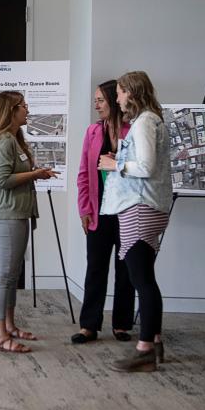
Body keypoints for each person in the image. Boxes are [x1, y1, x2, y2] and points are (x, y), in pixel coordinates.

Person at [99, 71, 173, 372]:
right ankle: (153, 342)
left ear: (132, 92)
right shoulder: (153, 120)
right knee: (145, 277)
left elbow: (145, 166)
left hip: (140, 205)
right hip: (147, 204)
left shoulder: (144, 123)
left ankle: (144, 351)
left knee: (142, 279)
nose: (117, 98)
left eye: (119, 92)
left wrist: (114, 163)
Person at [0, 91, 57, 354]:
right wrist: (36, 174)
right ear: (11, 110)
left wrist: (33, 173)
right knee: (4, 275)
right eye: (23, 106)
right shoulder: (4, 141)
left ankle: (9, 326)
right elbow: (1, 180)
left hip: (18, 213)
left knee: (11, 275)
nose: (28, 110)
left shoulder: (14, 139)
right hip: (7, 215)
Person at [72, 80, 135, 344]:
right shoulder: (92, 132)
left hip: (127, 210)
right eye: (95, 100)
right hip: (99, 211)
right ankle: (89, 325)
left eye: (100, 100)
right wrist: (84, 208)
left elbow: (141, 169)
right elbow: (84, 174)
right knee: (95, 268)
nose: (96, 105)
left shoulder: (133, 130)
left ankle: (121, 324)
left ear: (113, 100)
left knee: (127, 269)